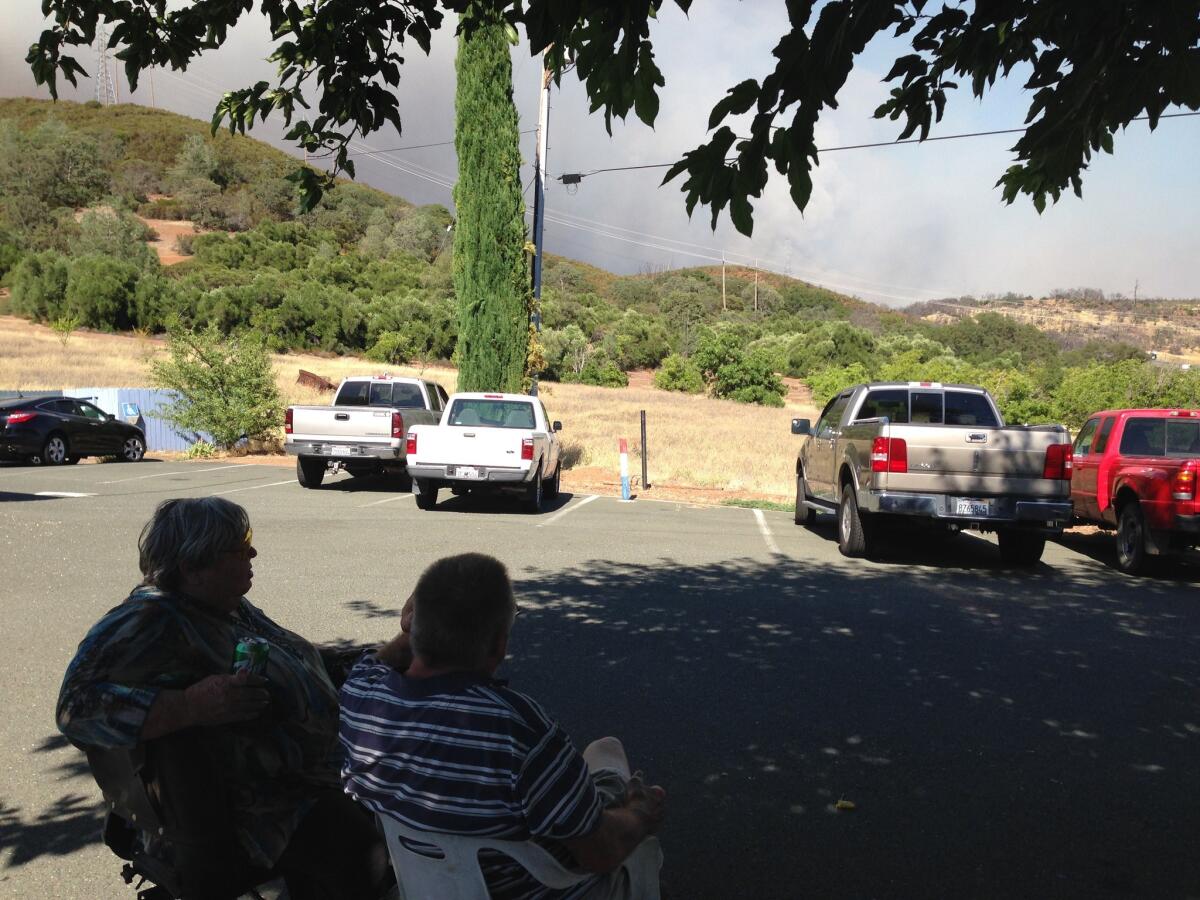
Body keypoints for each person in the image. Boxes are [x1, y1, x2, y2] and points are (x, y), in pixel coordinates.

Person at [56, 497, 393, 900]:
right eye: (239, 545)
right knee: (375, 846)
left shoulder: (224, 604)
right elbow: (74, 707)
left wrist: (374, 659)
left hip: (310, 778)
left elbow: (293, 658)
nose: (252, 552)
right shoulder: (151, 619)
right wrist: (190, 706)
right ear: (192, 566)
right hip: (265, 809)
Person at [339, 552, 666, 900]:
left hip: (423, 886)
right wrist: (641, 813)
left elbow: (381, 660)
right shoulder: (519, 732)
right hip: (532, 888)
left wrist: (419, 626)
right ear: (499, 644)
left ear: (414, 628)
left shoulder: (361, 692)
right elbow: (601, 852)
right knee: (607, 751)